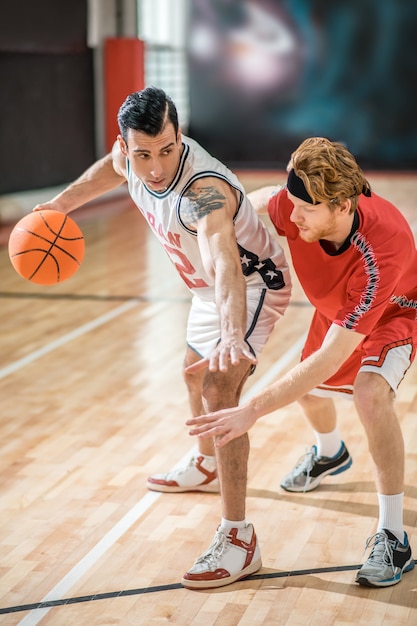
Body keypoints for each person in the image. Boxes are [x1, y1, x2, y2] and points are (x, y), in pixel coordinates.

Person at [33, 86, 292, 589]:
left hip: (250, 283)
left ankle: (240, 539)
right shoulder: (128, 156)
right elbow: (111, 169)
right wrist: (60, 205)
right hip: (203, 289)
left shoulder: (203, 190)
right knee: (189, 375)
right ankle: (204, 464)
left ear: (180, 135)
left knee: (219, 390)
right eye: (144, 153)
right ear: (126, 144)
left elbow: (223, 262)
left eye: (168, 150)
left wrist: (232, 333)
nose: (155, 167)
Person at [187, 136, 417, 588]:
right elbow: (249, 207)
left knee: (369, 394)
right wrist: (210, 225)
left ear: (343, 205)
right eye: (290, 204)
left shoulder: (383, 248)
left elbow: (332, 357)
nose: (290, 218)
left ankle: (393, 534)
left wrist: (250, 409)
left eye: (304, 210)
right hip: (337, 310)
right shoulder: (296, 206)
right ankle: (330, 452)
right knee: (308, 392)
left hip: (394, 311)